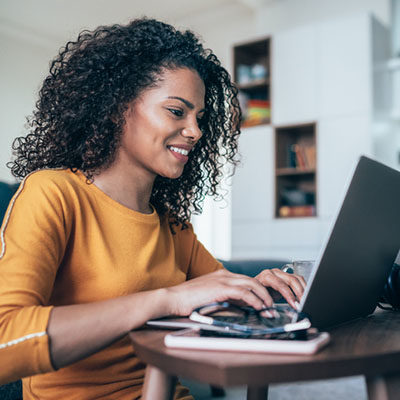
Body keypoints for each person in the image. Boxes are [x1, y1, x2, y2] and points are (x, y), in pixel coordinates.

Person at [0, 18, 305, 399]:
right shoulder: (53, 194)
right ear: (116, 109)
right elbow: (5, 344)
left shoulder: (172, 225)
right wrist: (165, 299)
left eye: (199, 118)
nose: (195, 131)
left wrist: (261, 290)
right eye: (177, 112)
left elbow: (220, 297)